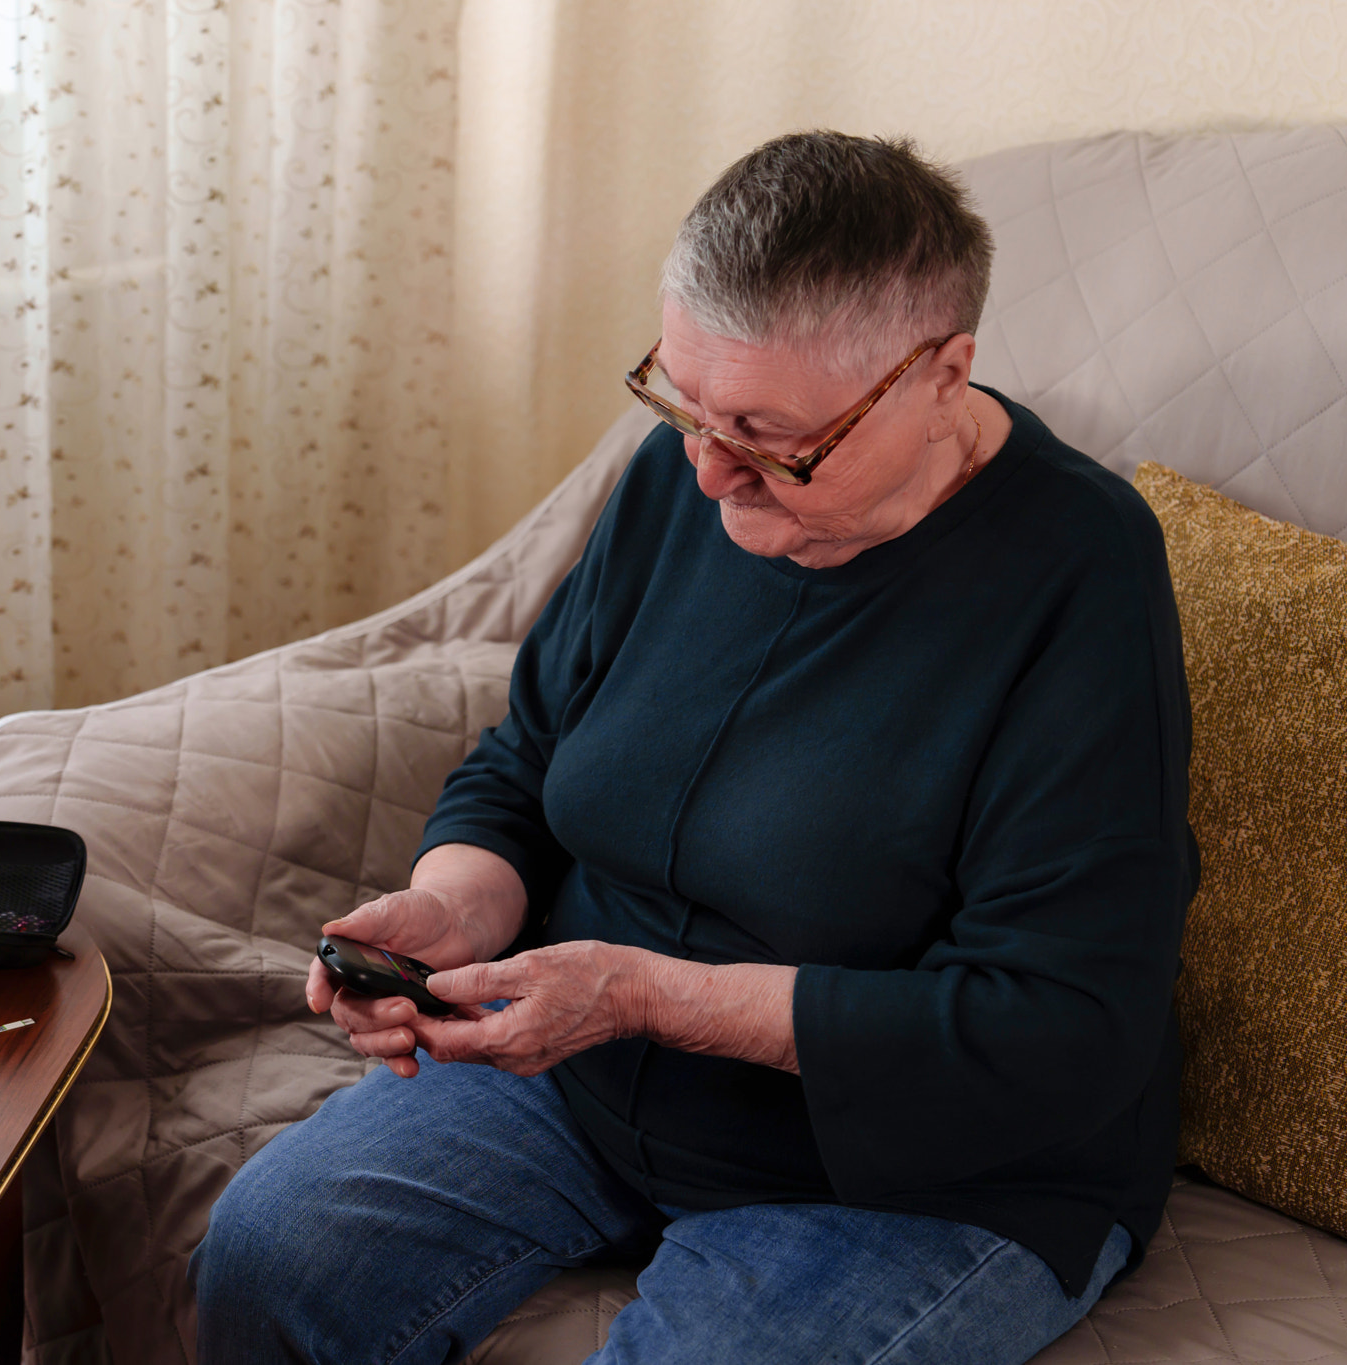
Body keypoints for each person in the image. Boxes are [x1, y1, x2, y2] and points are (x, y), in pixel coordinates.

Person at [190, 130, 1199, 1365]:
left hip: (911, 1175)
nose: (710, 471)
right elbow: (526, 757)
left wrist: (641, 997)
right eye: (681, 401)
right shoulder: (691, 472)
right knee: (269, 1254)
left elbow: (1058, 1027)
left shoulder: (1077, 574)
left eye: (772, 440)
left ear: (941, 375)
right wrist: (457, 901)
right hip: (584, 1076)